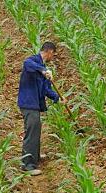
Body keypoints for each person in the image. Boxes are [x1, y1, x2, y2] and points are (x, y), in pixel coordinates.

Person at [17, 42, 65, 175]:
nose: (53, 57)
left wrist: (58, 98)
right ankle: (27, 165)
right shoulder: (33, 61)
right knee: (31, 132)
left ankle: (35, 157)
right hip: (28, 103)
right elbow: (27, 63)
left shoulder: (44, 69)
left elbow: (46, 90)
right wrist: (43, 71)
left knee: (36, 130)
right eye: (53, 55)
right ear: (49, 51)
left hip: (35, 105)